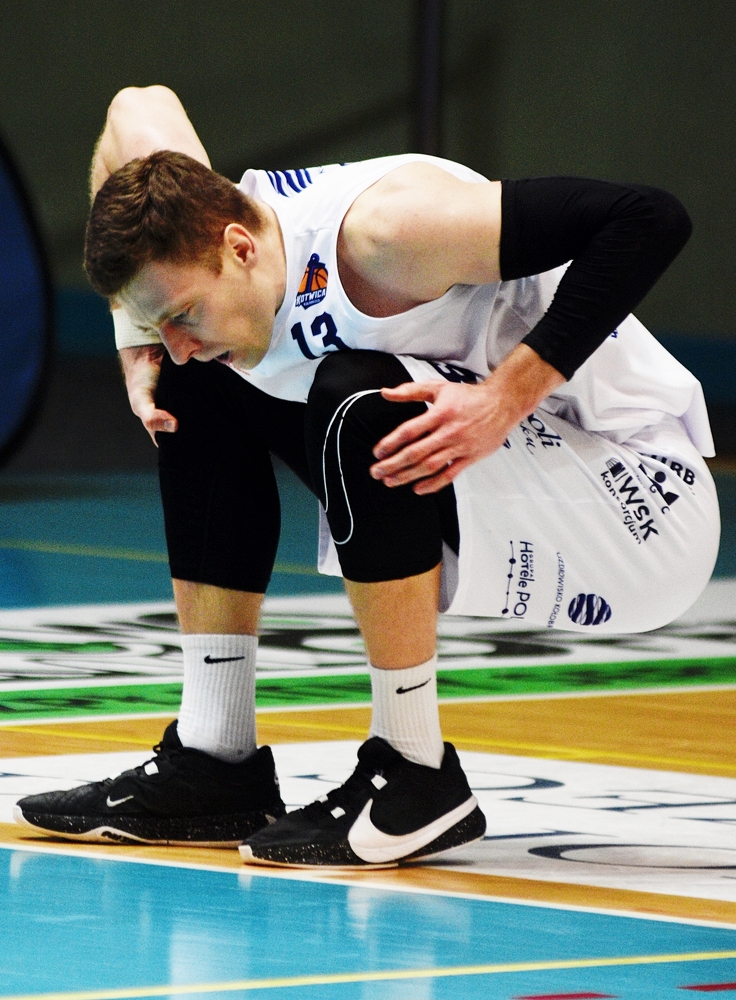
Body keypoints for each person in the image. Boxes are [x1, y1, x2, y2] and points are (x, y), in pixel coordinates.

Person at [15, 86, 719, 868]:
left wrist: (504, 398)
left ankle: (416, 769)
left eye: (178, 313)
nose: (173, 337)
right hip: (522, 467)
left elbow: (649, 218)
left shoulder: (391, 233)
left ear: (239, 247)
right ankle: (215, 759)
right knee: (195, 378)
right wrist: (137, 334)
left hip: (638, 506)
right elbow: (135, 106)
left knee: (359, 397)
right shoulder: (201, 217)